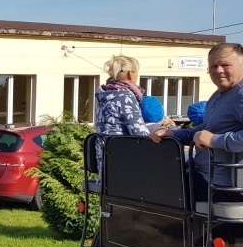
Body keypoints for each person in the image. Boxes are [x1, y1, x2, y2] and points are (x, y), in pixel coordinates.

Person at [151, 43, 243, 202]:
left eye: (225, 65)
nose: (218, 70)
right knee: (153, 174)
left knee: (154, 185)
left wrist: (214, 140)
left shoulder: (240, 94)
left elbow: (209, 136)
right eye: (213, 66)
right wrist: (173, 133)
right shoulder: (219, 95)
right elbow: (204, 131)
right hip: (204, 176)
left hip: (223, 187)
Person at [93, 55, 150, 175]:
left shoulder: (104, 94)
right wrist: (158, 129)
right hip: (123, 163)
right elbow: (140, 133)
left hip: (104, 162)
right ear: (131, 74)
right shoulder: (125, 96)